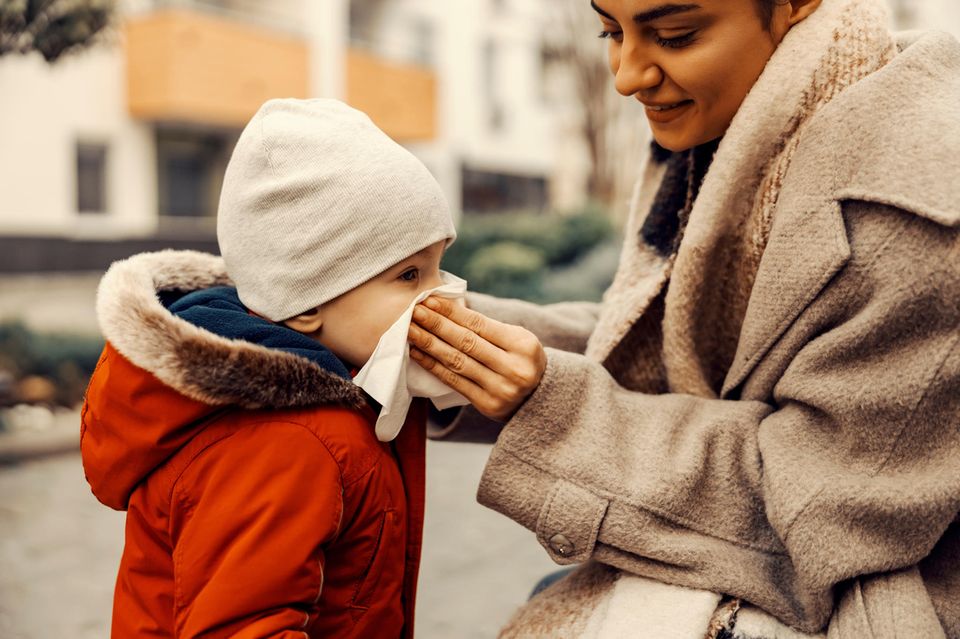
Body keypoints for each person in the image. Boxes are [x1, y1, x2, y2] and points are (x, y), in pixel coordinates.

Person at [408, 0, 960, 636]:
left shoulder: (914, 200)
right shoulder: (740, 118)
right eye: (610, 32)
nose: (627, 75)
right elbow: (667, 338)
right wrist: (436, 325)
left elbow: (821, 515)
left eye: (675, 35)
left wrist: (554, 408)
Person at [80, 99, 457, 638]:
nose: (441, 294)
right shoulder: (289, 441)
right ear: (305, 303)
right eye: (410, 275)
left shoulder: (341, 390)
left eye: (440, 264)